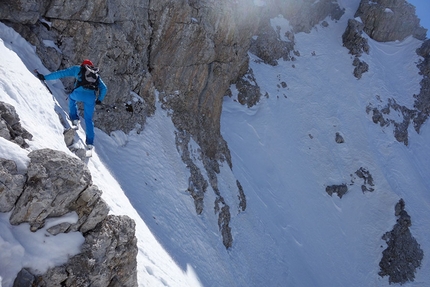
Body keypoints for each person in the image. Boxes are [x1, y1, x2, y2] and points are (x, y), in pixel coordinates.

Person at [37, 59, 107, 149]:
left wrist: (45, 77)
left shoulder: (77, 69)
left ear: (83, 65)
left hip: (78, 93)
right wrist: (99, 100)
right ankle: (90, 143)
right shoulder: (95, 75)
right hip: (90, 98)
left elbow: (61, 73)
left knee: (71, 99)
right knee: (88, 119)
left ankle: (74, 119)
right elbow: (104, 88)